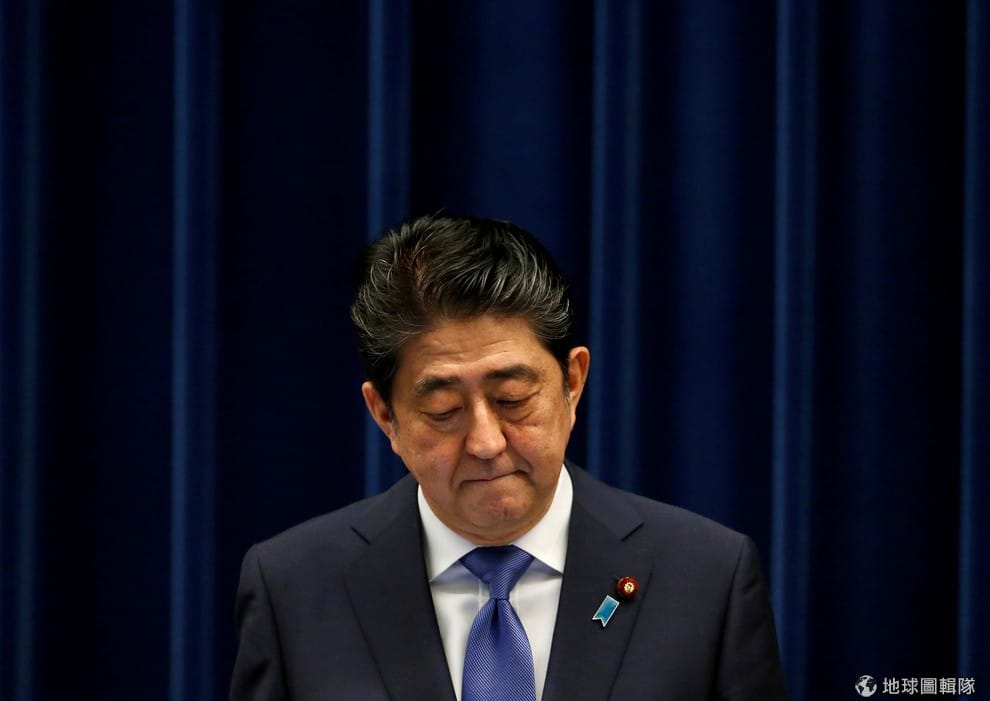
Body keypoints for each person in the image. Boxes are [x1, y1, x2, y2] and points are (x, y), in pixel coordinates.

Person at [228, 214, 789, 701]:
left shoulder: (706, 577)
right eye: (444, 411)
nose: (486, 442)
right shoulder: (294, 588)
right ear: (385, 416)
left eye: (513, 399)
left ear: (572, 383)